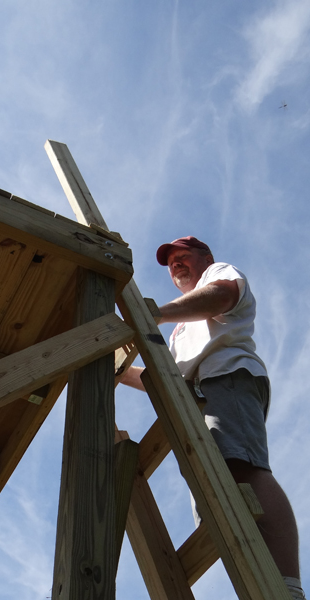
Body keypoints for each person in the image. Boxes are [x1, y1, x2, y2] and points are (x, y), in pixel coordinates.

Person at [120, 236, 304, 600]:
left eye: (182, 256)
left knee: (244, 467)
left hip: (226, 376)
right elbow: (167, 377)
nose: (175, 265)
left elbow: (222, 295)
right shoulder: (180, 331)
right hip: (198, 394)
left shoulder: (219, 273)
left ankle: (288, 586)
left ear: (206, 257)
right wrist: (119, 372)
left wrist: (156, 311)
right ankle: (260, 582)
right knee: (214, 490)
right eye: (170, 263)